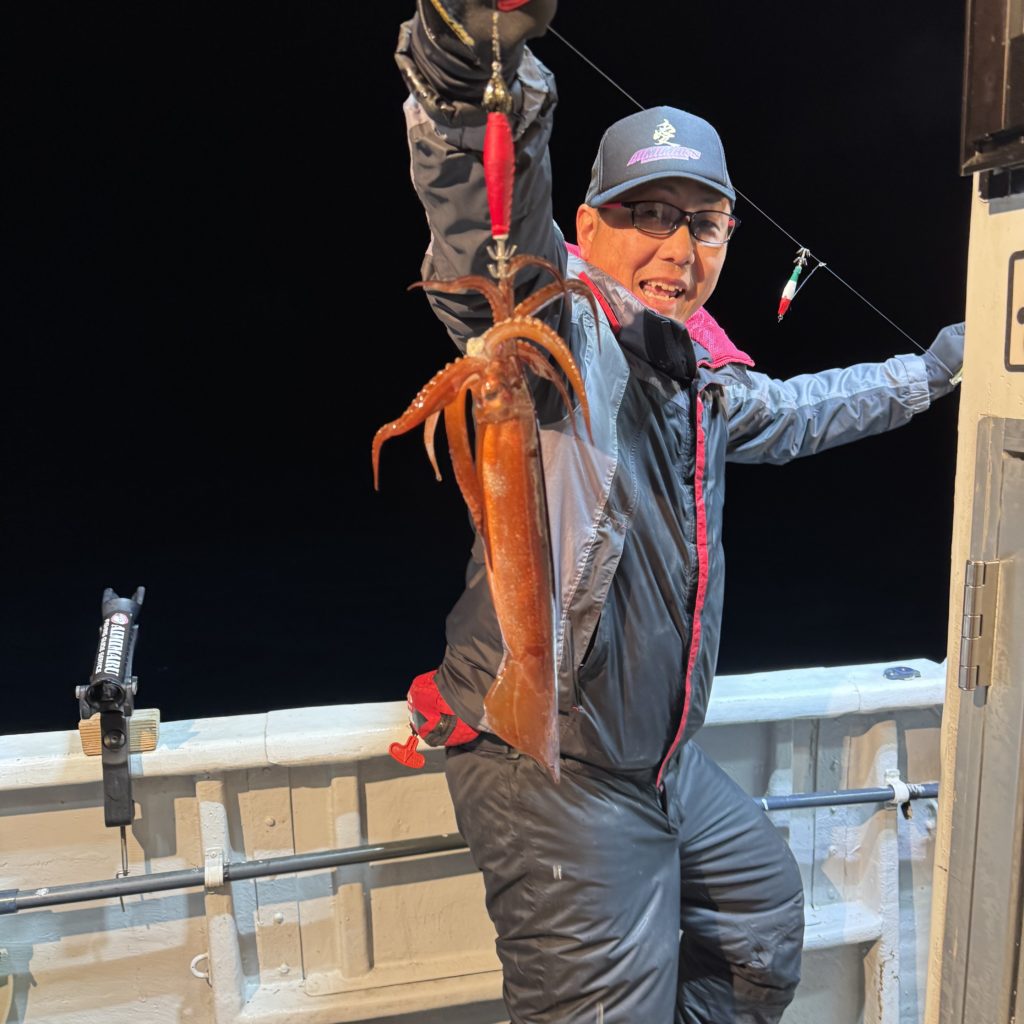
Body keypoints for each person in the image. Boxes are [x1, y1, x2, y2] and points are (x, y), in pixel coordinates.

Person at [392, 3, 965, 1022]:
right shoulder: (558, 336)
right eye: (647, 214)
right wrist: (464, 63)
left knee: (761, 922)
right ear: (588, 231)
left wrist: (927, 375)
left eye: (701, 223)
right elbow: (485, 234)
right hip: (549, 756)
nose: (677, 246)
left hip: (656, 757)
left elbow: (796, 411)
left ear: (728, 238)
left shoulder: (697, 377)